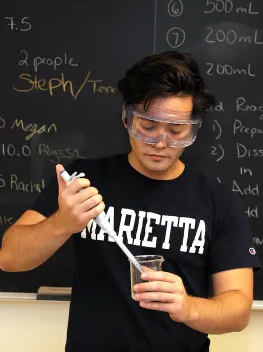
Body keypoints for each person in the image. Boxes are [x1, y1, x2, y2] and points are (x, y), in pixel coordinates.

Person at [0, 51, 260, 352]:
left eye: (176, 131)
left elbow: (238, 310)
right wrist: (62, 223)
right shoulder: (82, 181)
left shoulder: (218, 202)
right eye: (147, 127)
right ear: (127, 117)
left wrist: (187, 307)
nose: (161, 143)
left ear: (192, 129)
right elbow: (9, 258)